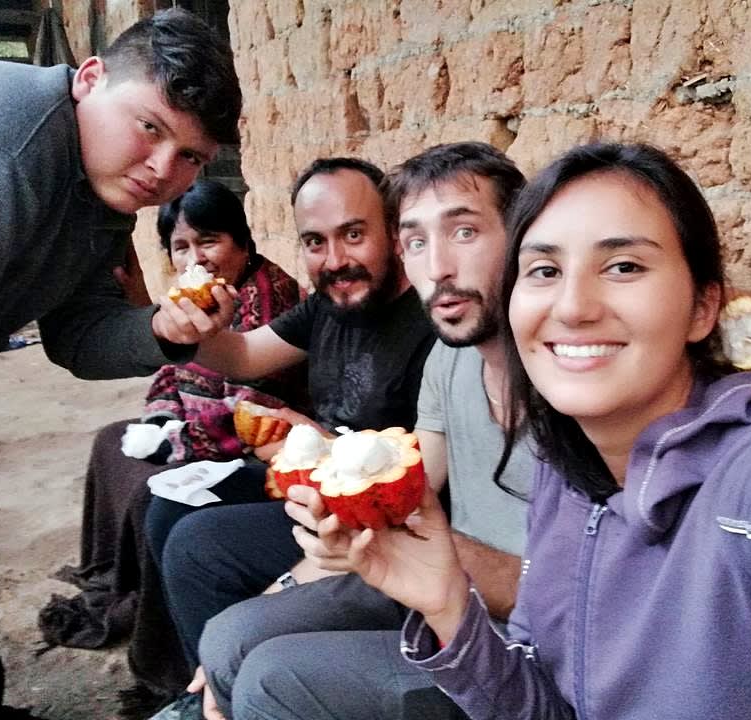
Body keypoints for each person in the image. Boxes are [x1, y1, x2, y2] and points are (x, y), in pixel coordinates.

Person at [289, 142, 751, 719]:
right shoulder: (568, 474)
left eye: (624, 266)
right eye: (543, 271)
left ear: (703, 307)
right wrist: (448, 605)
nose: (573, 307)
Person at [0, 9, 242, 719]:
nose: (163, 170)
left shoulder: (99, 190)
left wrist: (162, 327)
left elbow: (76, 337)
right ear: (89, 78)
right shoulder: (6, 147)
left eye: (191, 156)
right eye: (149, 126)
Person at [194, 142, 533, 720]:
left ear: (525, 236)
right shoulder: (451, 358)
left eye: (465, 232)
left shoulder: (572, 379)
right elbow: (403, 493)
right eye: (418, 240)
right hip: (441, 586)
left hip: (516, 634)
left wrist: (399, 539)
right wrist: (294, 575)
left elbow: (577, 595)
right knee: (226, 640)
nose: (438, 267)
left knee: (270, 682)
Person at [144, 157, 437, 717]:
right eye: (315, 242)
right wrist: (197, 328)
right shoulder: (330, 303)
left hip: (375, 521)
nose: (336, 260)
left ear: (393, 232)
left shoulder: (429, 324)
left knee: (198, 548)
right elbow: (246, 355)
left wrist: (320, 444)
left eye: (353, 234)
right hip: (310, 485)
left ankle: (225, 689)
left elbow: (427, 470)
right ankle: (200, 690)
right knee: (165, 510)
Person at [36, 179, 304, 702]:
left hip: (253, 442)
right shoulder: (194, 298)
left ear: (242, 243)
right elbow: (169, 371)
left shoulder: (271, 293)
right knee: (112, 442)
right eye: (181, 246)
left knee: (157, 494)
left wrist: (176, 442)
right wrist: (161, 420)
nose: (195, 257)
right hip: (201, 432)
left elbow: (253, 403)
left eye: (209, 241)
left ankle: (170, 660)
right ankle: (120, 581)